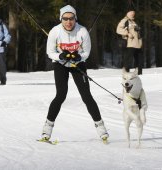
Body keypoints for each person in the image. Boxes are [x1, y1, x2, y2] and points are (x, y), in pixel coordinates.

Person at [41, 5, 109, 141]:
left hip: (78, 64)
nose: (68, 22)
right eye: (65, 19)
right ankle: (47, 130)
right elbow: (50, 52)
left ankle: (101, 128)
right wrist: (60, 56)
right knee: (60, 95)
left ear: (75, 18)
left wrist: (79, 57)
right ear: (61, 19)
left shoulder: (82, 31)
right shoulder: (55, 31)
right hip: (60, 65)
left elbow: (86, 52)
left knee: (86, 96)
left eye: (71, 18)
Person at [116, 6, 143, 75]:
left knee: (139, 60)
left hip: (138, 44)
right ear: (127, 13)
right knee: (127, 60)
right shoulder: (124, 20)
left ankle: (138, 74)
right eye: (131, 12)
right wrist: (127, 34)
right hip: (129, 44)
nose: (132, 14)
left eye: (133, 12)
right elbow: (118, 30)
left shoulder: (134, 21)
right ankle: (126, 74)